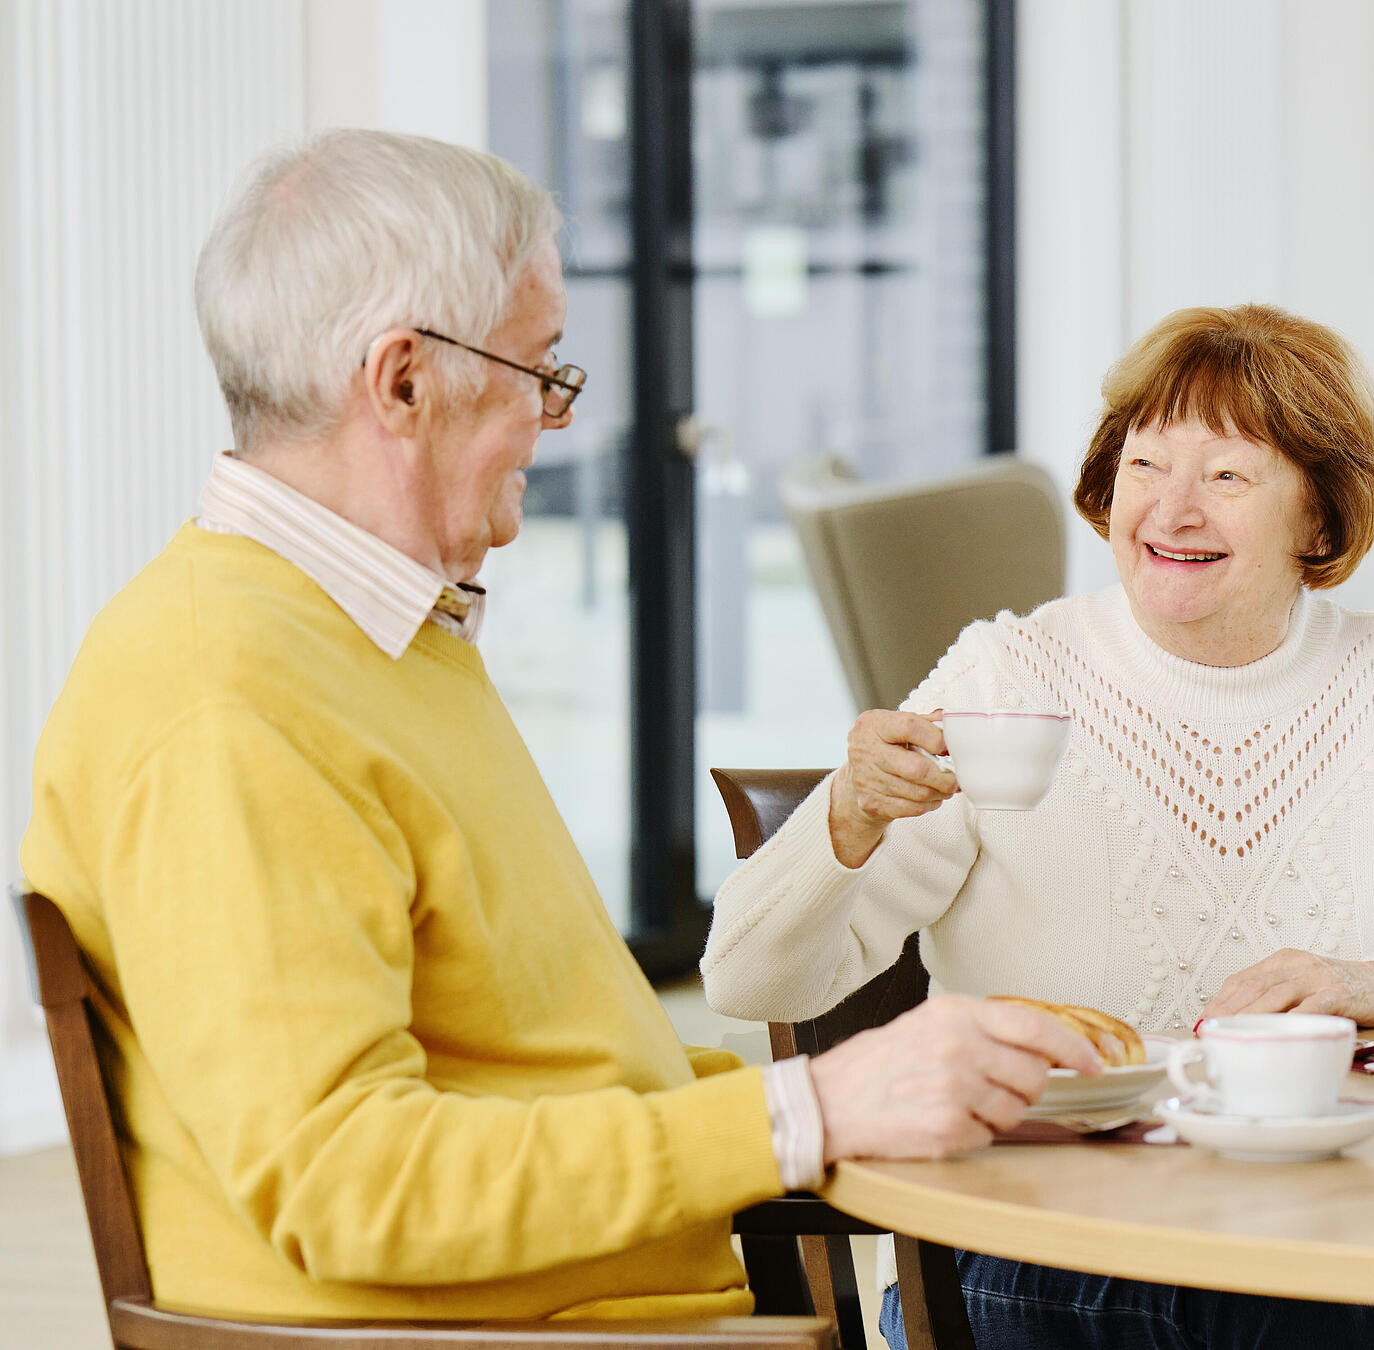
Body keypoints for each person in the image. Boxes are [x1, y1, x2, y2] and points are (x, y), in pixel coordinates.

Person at [16, 129, 1102, 1324]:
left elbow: (554, 1058)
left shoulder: (376, 640)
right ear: (402, 381)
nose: (557, 419)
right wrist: (811, 1113)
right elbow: (347, 1186)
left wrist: (870, 1098)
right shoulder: (225, 698)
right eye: (541, 372)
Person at [701, 304, 1374, 1348]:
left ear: (1319, 520)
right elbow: (745, 980)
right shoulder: (1012, 675)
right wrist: (848, 814)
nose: (1172, 509)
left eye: (1229, 476)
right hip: (1027, 1243)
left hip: (1305, 1249)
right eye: (1145, 465)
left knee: (1289, 1280)